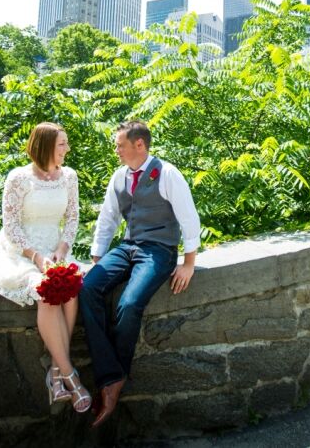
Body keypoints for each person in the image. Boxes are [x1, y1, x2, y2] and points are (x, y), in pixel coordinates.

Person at [80, 120, 201, 428]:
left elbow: (189, 218)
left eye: (120, 145)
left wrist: (188, 263)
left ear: (139, 145)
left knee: (129, 304)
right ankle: (113, 374)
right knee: (88, 288)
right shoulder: (119, 177)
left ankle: (112, 381)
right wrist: (98, 259)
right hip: (129, 246)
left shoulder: (168, 174)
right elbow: (107, 219)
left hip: (159, 250)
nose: (116, 151)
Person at [0, 122, 92, 412]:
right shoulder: (18, 178)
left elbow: (72, 219)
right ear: (45, 146)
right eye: (62, 144)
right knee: (46, 292)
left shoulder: (69, 176)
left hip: (55, 250)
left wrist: (61, 250)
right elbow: (11, 225)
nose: (67, 149)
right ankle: (70, 376)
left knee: (71, 292)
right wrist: (35, 257)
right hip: (21, 251)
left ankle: (56, 372)